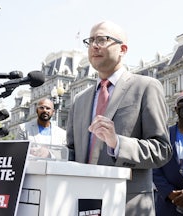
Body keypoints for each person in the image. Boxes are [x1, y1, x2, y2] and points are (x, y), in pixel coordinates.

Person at [66, 20, 172, 215]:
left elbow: (162, 149)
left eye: (102, 39)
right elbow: (71, 152)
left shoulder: (146, 86)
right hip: (82, 204)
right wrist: (51, 156)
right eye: (90, 41)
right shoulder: (79, 100)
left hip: (128, 205)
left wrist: (118, 144)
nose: (94, 45)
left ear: (123, 49)